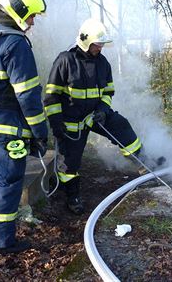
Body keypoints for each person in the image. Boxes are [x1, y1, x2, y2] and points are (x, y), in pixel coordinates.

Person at [43, 18, 162, 215]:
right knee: (69, 162)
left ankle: (145, 165)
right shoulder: (65, 60)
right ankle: (71, 195)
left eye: (101, 44)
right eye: (98, 44)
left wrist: (103, 111)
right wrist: (56, 124)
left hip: (95, 115)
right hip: (71, 122)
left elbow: (108, 92)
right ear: (85, 41)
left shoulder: (103, 63)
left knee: (122, 127)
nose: (101, 48)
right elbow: (51, 95)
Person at [0, 0, 48, 257]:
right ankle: (1, 243)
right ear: (18, 10)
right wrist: (40, 132)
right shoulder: (15, 42)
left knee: (2, 180)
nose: (31, 22)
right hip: (8, 127)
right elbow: (28, 96)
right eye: (30, 16)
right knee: (8, 183)